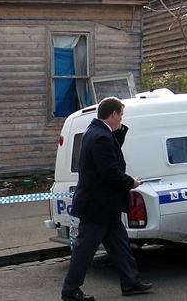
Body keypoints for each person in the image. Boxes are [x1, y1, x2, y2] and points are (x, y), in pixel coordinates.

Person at [61, 97, 153, 301]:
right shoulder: (100, 136)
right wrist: (131, 182)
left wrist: (118, 131)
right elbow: (109, 171)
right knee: (84, 250)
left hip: (104, 206)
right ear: (113, 114)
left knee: (120, 246)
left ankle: (131, 282)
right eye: (121, 115)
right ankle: (70, 290)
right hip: (97, 206)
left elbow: (111, 154)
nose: (122, 119)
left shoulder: (95, 132)